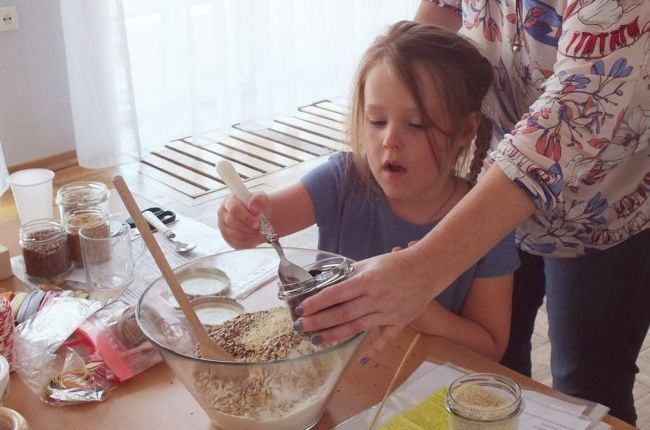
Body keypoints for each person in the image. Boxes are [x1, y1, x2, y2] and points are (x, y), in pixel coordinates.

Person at [294, 0, 650, 425]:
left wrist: (422, 268)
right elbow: (441, 12)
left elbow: (569, 117)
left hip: (603, 214)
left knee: (588, 387)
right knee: (499, 379)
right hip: (496, 193)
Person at [218, 21, 520, 361]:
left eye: (417, 125)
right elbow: (262, 222)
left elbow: (490, 347)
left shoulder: (485, 218)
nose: (390, 139)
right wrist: (242, 219)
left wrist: (419, 306)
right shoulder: (343, 179)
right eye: (377, 121)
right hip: (337, 376)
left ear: (465, 130)